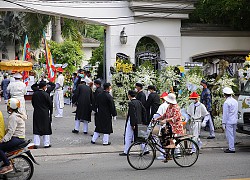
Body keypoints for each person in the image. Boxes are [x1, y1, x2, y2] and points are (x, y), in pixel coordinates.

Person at [0, 98, 26, 174]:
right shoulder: (18, 114)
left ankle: (8, 165)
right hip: (20, 137)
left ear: (10, 107)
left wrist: (3, 140)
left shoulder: (13, 117)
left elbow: (11, 131)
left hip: (16, 138)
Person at [119, 90, 147, 156]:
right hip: (140, 121)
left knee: (128, 136)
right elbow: (144, 111)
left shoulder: (131, 103)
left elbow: (132, 114)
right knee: (142, 136)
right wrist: (143, 120)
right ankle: (145, 149)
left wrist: (132, 124)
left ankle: (126, 151)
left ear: (129, 95)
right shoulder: (139, 102)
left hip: (132, 122)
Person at [32, 81, 53, 148]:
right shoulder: (46, 94)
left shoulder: (35, 94)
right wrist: (50, 112)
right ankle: (46, 143)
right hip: (45, 112)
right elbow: (50, 104)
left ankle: (36, 143)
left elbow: (33, 103)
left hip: (37, 112)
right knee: (46, 127)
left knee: (36, 127)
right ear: (44, 87)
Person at [222, 87, 238, 153]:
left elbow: (225, 114)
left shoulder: (226, 103)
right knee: (233, 134)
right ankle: (232, 146)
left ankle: (231, 148)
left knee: (229, 135)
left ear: (225, 94)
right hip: (235, 120)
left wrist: (223, 123)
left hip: (229, 121)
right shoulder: (235, 101)